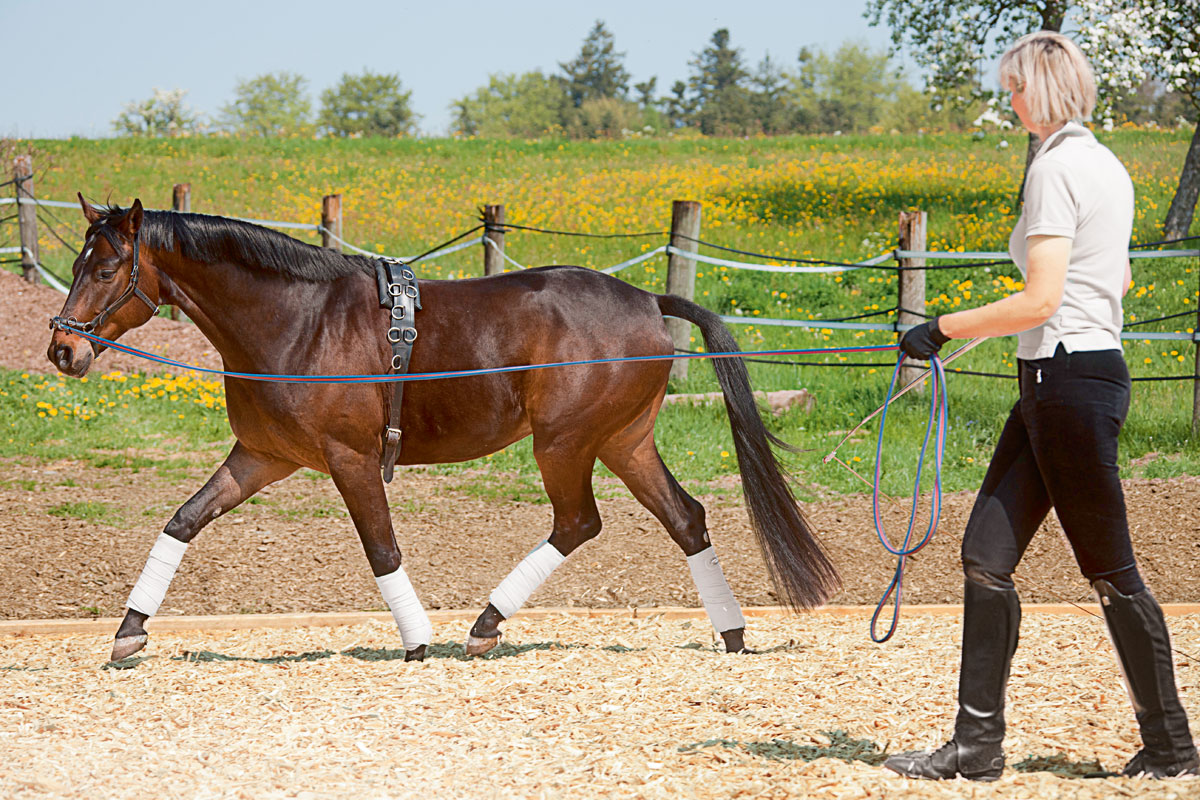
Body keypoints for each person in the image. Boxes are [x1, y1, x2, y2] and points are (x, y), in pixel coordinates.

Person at [884, 30, 1199, 782]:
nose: (1012, 100)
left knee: (1112, 570)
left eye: (1017, 88)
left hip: (1067, 385)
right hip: (1058, 383)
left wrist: (939, 328)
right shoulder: (1107, 166)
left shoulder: (1056, 168)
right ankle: (976, 747)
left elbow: (1043, 298)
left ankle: (1172, 746)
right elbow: (1114, 280)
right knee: (986, 558)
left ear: (1044, 90)